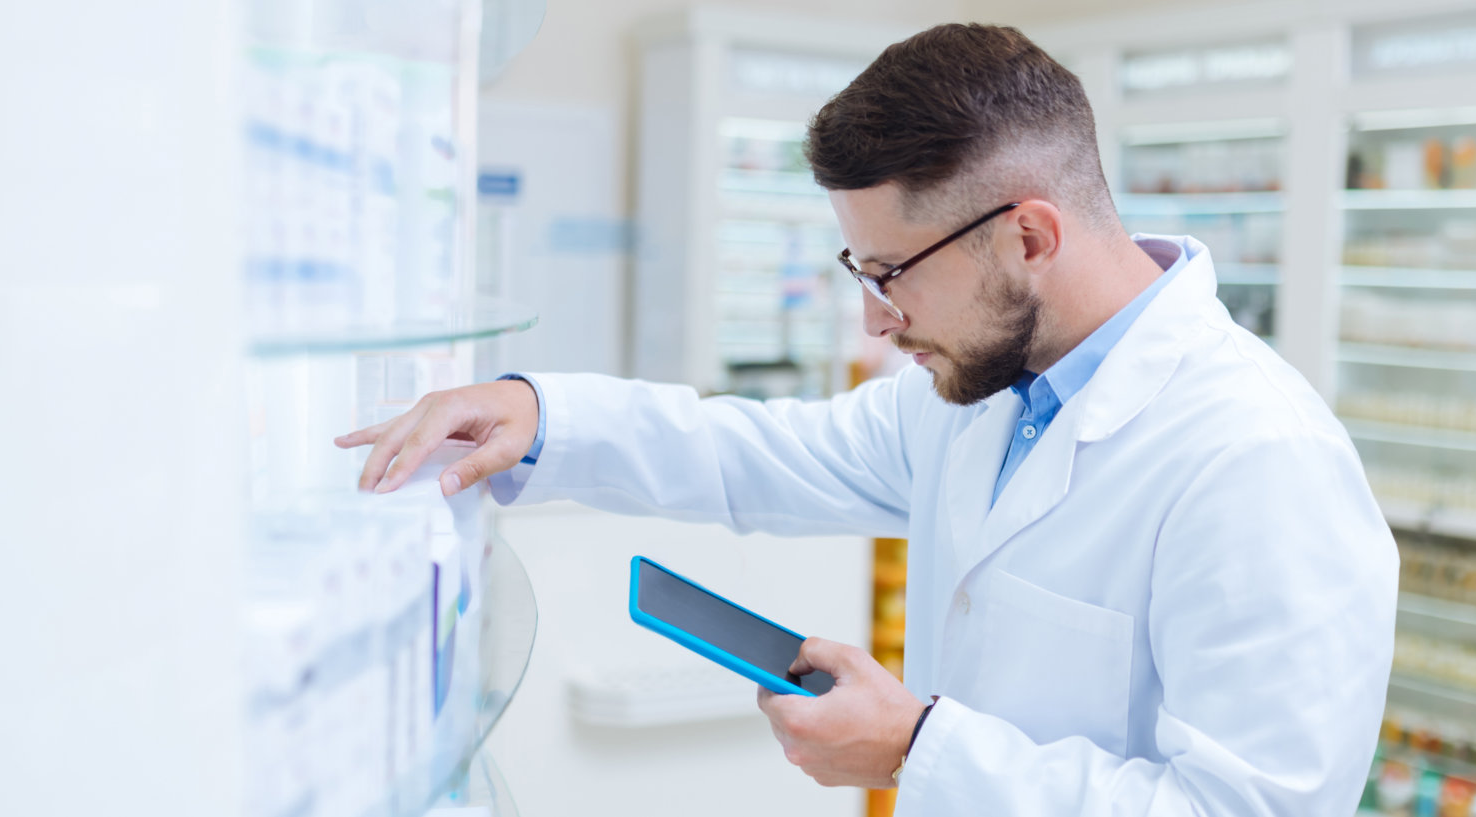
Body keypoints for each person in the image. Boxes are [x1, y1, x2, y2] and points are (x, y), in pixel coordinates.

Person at [338, 23, 1396, 817]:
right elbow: (759, 454)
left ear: (1028, 236)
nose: (875, 319)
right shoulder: (987, 398)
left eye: (892, 273)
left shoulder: (1258, 460)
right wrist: (541, 412)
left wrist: (920, 747)